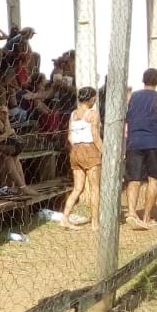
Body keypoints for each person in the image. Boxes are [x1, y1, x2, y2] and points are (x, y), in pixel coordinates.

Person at [123, 68, 157, 230]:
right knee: (153, 179)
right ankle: (146, 217)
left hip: (134, 142)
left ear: (143, 79)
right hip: (154, 142)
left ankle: (132, 213)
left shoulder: (132, 96)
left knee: (134, 179)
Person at [61, 86, 101, 232]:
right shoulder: (93, 114)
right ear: (91, 99)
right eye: (94, 98)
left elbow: (69, 136)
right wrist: (104, 151)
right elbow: (95, 135)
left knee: (78, 188)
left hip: (75, 151)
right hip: (89, 150)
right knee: (95, 188)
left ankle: (65, 218)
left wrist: (77, 148)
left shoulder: (73, 114)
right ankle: (95, 222)